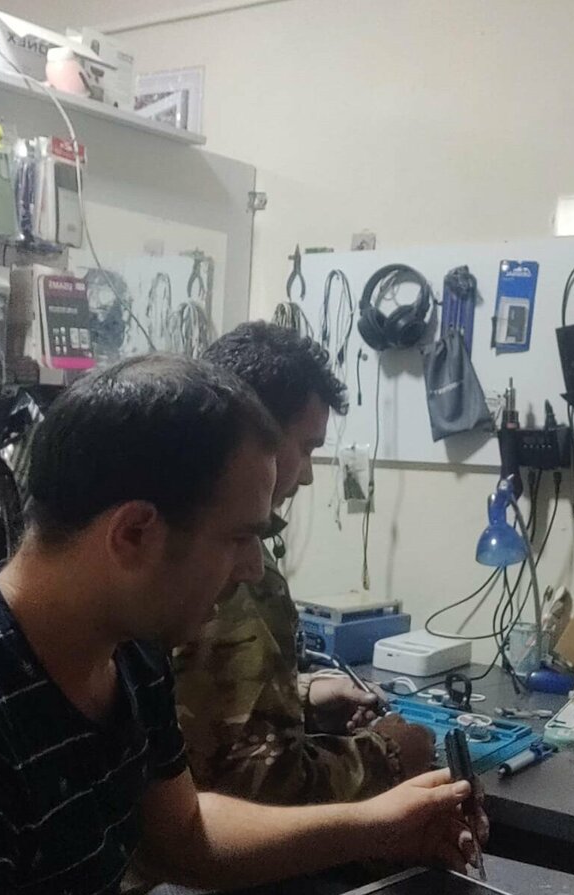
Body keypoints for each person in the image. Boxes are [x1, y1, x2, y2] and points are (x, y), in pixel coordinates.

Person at [0, 354, 485, 895]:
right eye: (238, 538)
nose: (252, 567)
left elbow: (184, 836)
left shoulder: (130, 652)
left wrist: (380, 826)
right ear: (133, 533)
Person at [175, 321, 434, 804]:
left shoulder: (195, 531)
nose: (309, 476)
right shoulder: (223, 567)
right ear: (260, 435)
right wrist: (390, 753)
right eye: (309, 447)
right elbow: (258, 789)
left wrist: (300, 695)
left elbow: (193, 705)